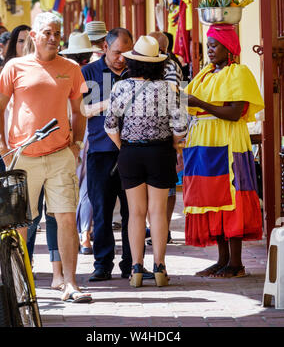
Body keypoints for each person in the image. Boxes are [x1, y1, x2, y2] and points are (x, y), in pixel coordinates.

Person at [0, 12, 92, 303]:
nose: (52, 38)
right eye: (47, 32)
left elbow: (78, 110)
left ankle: (70, 284)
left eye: (57, 34)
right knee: (20, 224)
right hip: (23, 156)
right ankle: (20, 286)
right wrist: (2, 148)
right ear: (34, 35)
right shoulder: (15, 67)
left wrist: (77, 144)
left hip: (61, 155)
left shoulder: (72, 68)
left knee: (66, 219)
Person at [182, 24, 264, 278]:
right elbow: (190, 103)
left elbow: (234, 112)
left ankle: (236, 263)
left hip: (228, 140)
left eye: (214, 45)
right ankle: (222, 259)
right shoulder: (205, 73)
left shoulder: (238, 72)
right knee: (211, 197)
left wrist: (200, 103)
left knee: (231, 196)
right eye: (208, 46)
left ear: (228, 47)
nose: (210, 50)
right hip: (203, 141)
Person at [104, 36, 187, 287]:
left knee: (136, 213)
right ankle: (160, 267)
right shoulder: (169, 89)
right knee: (158, 212)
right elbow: (181, 126)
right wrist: (174, 146)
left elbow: (110, 125)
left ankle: (136, 268)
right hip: (160, 153)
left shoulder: (120, 87)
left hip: (130, 154)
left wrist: (124, 147)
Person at [81, 27, 134, 281]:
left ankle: (132, 263)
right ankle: (102, 264)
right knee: (101, 210)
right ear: (105, 48)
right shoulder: (89, 72)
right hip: (100, 151)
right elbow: (82, 110)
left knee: (132, 211)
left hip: (133, 150)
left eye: (127, 52)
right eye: (117, 53)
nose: (122, 58)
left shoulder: (136, 71)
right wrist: (110, 102)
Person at [59, 31, 102, 255]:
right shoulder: (90, 72)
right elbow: (85, 110)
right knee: (82, 185)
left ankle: (80, 234)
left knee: (75, 185)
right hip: (82, 133)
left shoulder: (65, 71)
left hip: (70, 132)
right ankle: (83, 234)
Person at [148, 31, 185, 244]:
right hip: (147, 135)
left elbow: (173, 100)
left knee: (167, 187)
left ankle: (164, 227)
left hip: (166, 133)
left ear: (163, 49)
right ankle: (155, 227)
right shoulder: (140, 63)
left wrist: (175, 141)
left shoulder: (171, 67)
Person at [0, 25, 30, 172]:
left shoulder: (42, 73)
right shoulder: (0, 73)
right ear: (13, 45)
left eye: (30, 41)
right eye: (21, 41)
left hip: (34, 144)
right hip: (6, 146)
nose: (25, 46)